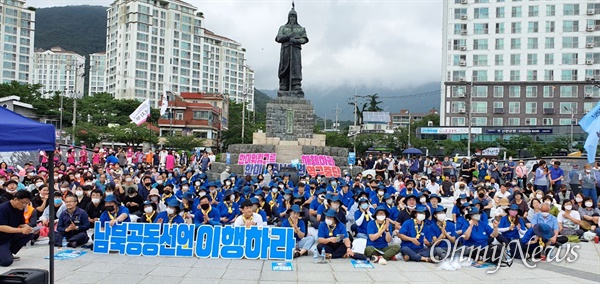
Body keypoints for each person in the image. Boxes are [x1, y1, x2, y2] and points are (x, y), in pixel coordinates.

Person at [275, 3, 309, 92]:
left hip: (296, 51)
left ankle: (296, 84)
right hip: (285, 50)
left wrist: (296, 41)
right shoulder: (283, 28)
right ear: (288, 17)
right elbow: (278, 38)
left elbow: (304, 39)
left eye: (294, 17)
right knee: (285, 66)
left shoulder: (301, 28)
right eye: (291, 16)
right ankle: (284, 84)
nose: (292, 18)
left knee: (296, 67)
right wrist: (288, 36)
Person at [0, 191, 34, 267]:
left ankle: (8, 252)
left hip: (10, 235)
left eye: (26, 203)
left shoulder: (20, 208)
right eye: (23, 203)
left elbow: (21, 223)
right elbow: (1, 227)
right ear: (15, 199)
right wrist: (21, 230)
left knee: (29, 234)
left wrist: (27, 228)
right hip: (1, 238)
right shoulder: (3, 209)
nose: (24, 205)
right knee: (6, 262)